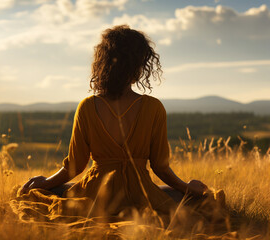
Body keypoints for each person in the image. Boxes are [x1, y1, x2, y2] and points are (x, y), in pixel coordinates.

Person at [16, 25, 209, 220]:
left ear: (103, 63)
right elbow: (161, 168)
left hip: (95, 195)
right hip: (140, 196)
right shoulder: (153, 107)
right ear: (138, 66)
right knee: (198, 198)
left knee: (45, 192)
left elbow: (75, 167)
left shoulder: (87, 106)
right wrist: (187, 188)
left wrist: (45, 182)